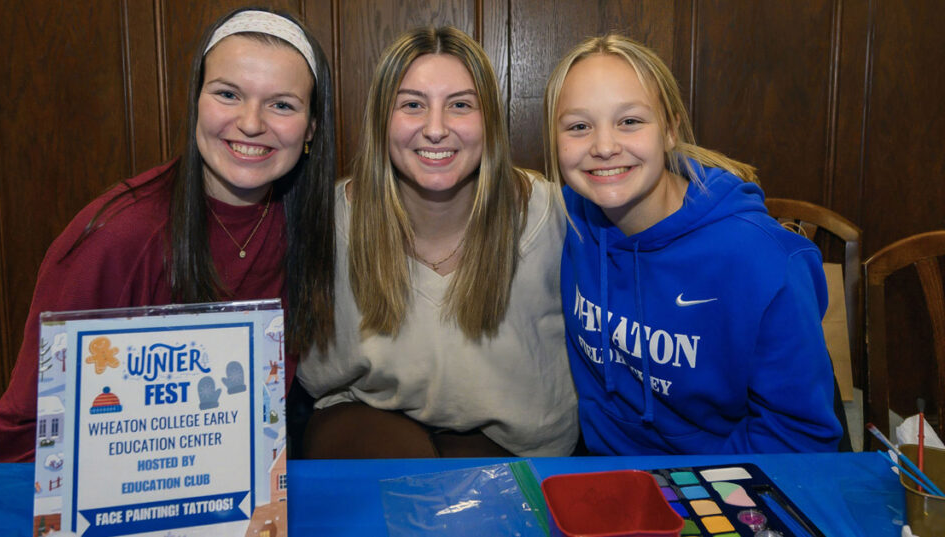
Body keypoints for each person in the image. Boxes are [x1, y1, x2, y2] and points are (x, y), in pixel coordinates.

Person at [0, 7, 336, 462]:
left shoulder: (304, 225)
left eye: (282, 104)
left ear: (309, 129)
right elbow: (25, 438)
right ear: (195, 103)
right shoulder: (117, 238)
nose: (251, 123)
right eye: (228, 94)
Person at [543, 34, 842, 454]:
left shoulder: (764, 263)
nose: (604, 147)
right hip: (604, 477)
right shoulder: (574, 215)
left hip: (720, 491)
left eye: (629, 121)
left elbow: (798, 438)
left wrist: (679, 497)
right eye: (579, 126)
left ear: (669, 130)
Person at [297, 26, 578, 458]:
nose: (435, 129)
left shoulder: (554, 217)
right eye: (412, 104)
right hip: (369, 426)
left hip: (520, 450)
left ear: (489, 122)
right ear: (381, 120)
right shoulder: (327, 220)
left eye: (460, 105)